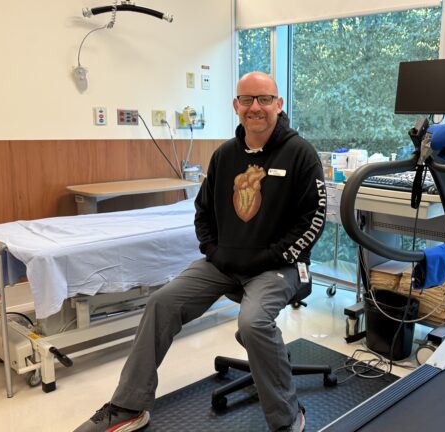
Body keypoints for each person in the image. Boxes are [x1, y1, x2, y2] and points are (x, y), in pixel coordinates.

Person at [75, 71, 327, 432]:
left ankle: (288, 419)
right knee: (161, 303)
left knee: (253, 322)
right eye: (247, 100)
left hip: (279, 267)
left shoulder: (300, 154)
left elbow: (313, 221)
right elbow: (203, 212)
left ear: (279, 104)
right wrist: (213, 250)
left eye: (265, 99)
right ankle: (130, 405)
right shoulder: (224, 155)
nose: (256, 107)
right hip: (224, 265)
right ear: (236, 105)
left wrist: (265, 257)